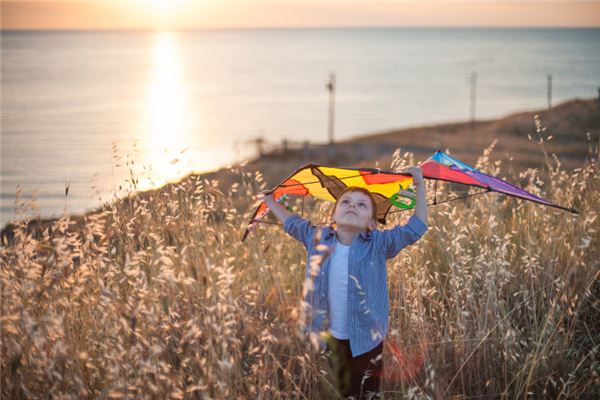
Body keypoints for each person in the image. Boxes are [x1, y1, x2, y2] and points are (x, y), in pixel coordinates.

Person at [261, 166, 428, 399]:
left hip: (368, 341)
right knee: (342, 392)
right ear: (333, 216)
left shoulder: (379, 243)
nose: (352, 206)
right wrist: (270, 201)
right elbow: (293, 223)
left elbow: (416, 227)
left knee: (367, 394)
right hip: (331, 337)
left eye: (362, 205)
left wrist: (419, 185)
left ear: (371, 222)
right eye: (346, 201)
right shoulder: (317, 237)